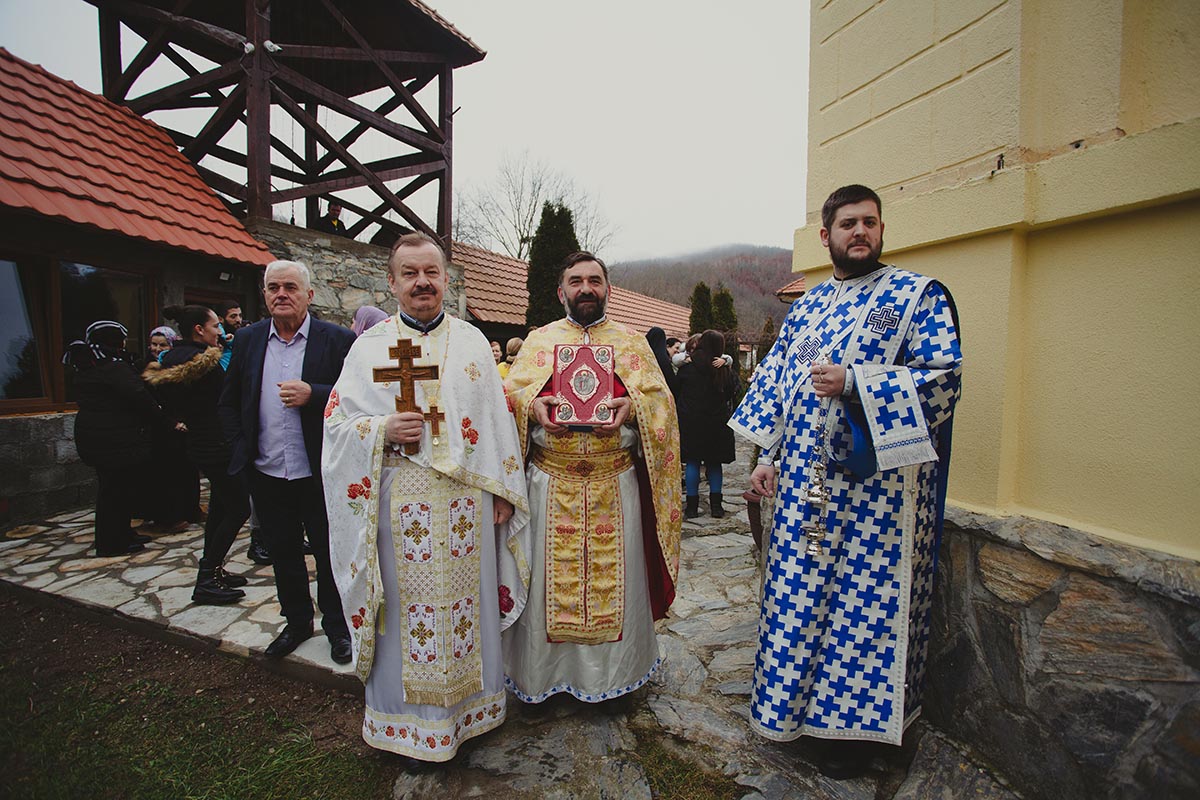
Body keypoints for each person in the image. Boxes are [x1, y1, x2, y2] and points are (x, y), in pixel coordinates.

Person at [730, 185, 963, 776]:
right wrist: (766, 454)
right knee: (799, 599)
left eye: (870, 222)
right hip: (803, 490)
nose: (860, 231)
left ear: (881, 230)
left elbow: (943, 380)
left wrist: (857, 381)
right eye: (848, 223)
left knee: (861, 609)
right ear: (826, 235)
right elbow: (780, 383)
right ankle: (796, 714)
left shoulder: (917, 296)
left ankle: (856, 737)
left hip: (876, 497)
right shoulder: (807, 307)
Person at [324, 232, 531, 760]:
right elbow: (336, 426)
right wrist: (381, 428)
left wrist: (503, 492)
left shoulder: (472, 343)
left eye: (431, 272)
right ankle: (407, 725)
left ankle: (470, 715)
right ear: (392, 282)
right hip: (397, 503)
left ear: (444, 279)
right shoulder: (368, 348)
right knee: (402, 610)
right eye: (410, 273)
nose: (422, 282)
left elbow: (496, 420)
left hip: (467, 504)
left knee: (468, 604)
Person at [503, 251, 681, 704]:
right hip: (550, 483)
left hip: (614, 484)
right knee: (546, 586)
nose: (586, 288)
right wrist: (531, 407)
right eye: (576, 281)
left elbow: (662, 406)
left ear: (607, 289)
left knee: (616, 585)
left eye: (594, 280)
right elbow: (508, 398)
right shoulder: (539, 342)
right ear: (561, 291)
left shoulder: (632, 344)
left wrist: (633, 408)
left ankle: (611, 684)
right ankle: (540, 683)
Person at [219, 260, 356, 663]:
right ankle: (297, 623)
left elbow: (357, 398)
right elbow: (229, 401)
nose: (281, 294)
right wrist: (239, 448)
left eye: (290, 287)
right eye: (273, 287)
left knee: (329, 554)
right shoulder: (248, 340)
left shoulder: (338, 340)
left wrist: (314, 394)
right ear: (264, 294)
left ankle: (338, 627)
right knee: (283, 553)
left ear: (309, 295)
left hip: (320, 471)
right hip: (266, 471)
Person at [144, 306, 250, 605]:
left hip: (200, 442)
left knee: (220, 507)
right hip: (217, 443)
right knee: (239, 508)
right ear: (199, 330)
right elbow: (226, 398)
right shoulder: (204, 363)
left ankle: (213, 569)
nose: (220, 331)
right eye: (215, 326)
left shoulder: (171, 360)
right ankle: (206, 578)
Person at [63, 321, 158, 556]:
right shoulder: (111, 366)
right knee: (114, 491)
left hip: (99, 434)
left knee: (119, 489)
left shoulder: (89, 363)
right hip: (112, 437)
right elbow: (138, 394)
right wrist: (158, 415)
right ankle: (111, 543)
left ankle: (122, 533)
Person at [140, 325, 198, 533]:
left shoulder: (175, 365)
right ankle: (168, 517)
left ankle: (189, 510)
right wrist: (171, 421)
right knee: (165, 476)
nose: (157, 349)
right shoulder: (146, 367)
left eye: (162, 345)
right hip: (160, 428)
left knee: (186, 472)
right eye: (154, 344)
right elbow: (149, 401)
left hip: (181, 426)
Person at [677, 329, 739, 519]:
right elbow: (733, 392)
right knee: (714, 463)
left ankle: (691, 507)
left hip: (691, 422)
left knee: (692, 462)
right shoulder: (723, 370)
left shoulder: (687, 368)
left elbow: (676, 391)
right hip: (717, 423)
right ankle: (716, 506)